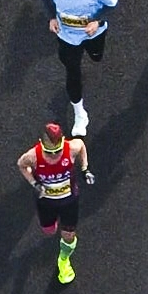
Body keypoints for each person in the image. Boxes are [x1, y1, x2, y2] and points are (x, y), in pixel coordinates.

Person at [39, 0, 118, 136]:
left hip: (93, 34)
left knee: (96, 57)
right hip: (67, 36)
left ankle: (94, 54)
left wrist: (97, 21)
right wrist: (52, 16)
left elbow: (112, 4)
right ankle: (80, 113)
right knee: (72, 70)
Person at [17, 120, 92, 285]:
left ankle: (63, 260)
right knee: (49, 231)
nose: (54, 156)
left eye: (57, 151)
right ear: (41, 143)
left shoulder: (71, 148)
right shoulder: (32, 156)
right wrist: (34, 183)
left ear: (63, 141)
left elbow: (81, 146)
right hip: (46, 203)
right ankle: (53, 227)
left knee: (68, 234)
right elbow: (21, 165)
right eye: (49, 152)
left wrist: (85, 169)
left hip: (69, 201)